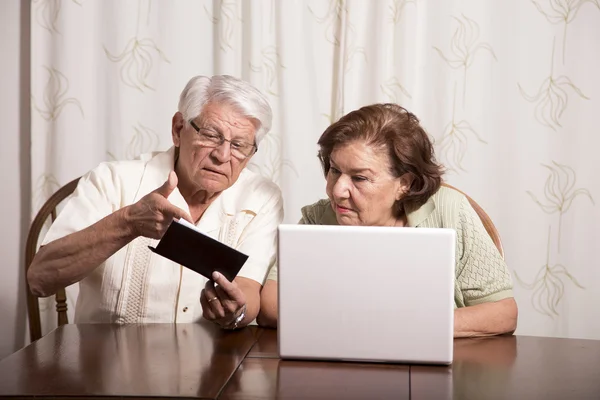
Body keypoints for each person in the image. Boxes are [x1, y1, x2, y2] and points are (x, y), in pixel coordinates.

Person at [28, 75, 283, 330]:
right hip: (107, 361)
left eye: (239, 145)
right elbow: (40, 279)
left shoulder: (261, 197)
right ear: (178, 129)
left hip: (211, 363)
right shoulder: (111, 181)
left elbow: (249, 287)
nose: (222, 155)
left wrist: (236, 312)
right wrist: (128, 223)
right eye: (210, 135)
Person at [257, 103, 517, 337]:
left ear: (404, 184)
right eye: (335, 170)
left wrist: (402, 326)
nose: (337, 190)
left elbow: (503, 313)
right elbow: (270, 305)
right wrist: (371, 323)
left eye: (359, 178)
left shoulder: (449, 210)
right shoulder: (319, 218)